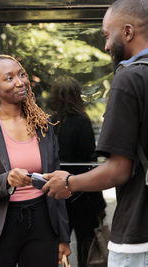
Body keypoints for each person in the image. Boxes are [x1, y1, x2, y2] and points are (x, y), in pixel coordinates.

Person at [43, 0, 148, 266]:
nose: (106, 46)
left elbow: (119, 170)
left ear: (128, 32)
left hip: (146, 238)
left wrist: (69, 183)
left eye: (107, 35)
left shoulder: (129, 78)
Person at [0, 54, 71, 267]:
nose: (20, 81)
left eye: (21, 75)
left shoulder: (43, 126)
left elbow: (56, 185)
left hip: (42, 222)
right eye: (9, 78)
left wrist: (63, 236)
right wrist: (7, 180)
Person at [49, 76, 106, 267]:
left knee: (56, 249)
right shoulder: (82, 121)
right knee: (87, 250)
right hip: (84, 196)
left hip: (58, 195)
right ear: (76, 95)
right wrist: (100, 203)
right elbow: (90, 162)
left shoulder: (50, 124)